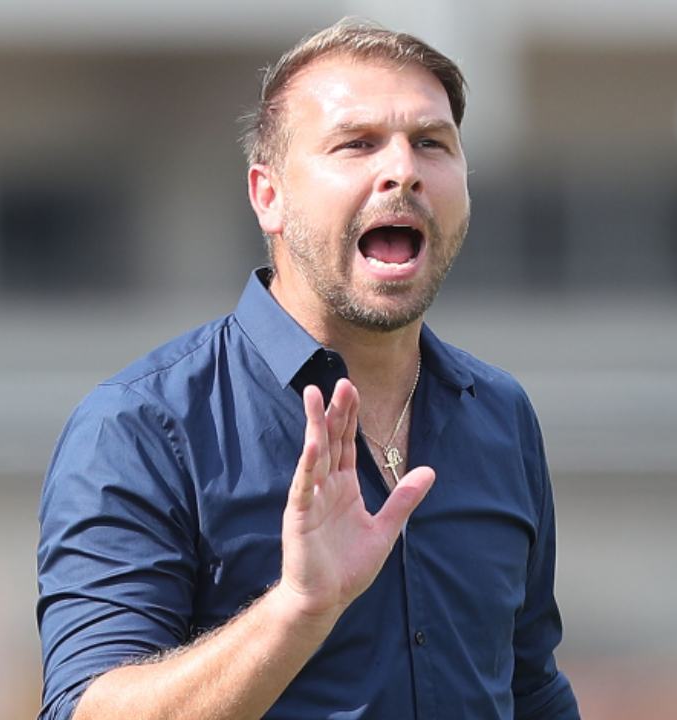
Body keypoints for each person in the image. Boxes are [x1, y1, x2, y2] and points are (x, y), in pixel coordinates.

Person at [37, 17, 581, 720]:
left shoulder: (500, 412)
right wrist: (298, 609)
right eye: (356, 144)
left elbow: (530, 688)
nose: (403, 170)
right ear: (269, 196)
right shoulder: (141, 426)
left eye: (431, 144)